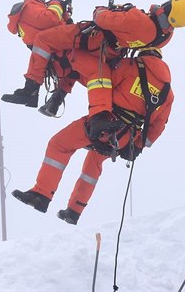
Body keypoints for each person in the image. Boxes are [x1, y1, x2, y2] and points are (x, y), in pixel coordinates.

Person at [11, 48, 174, 225]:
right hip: (125, 138)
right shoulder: (167, 93)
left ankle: (41, 194)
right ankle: (73, 212)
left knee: (59, 145)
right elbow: (157, 127)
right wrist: (138, 147)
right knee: (93, 165)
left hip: (104, 123)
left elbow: (103, 82)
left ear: (143, 52)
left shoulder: (130, 66)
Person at [1, 0, 185, 134]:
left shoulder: (140, 22)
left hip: (91, 38)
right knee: (82, 66)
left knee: (44, 40)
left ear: (168, 7)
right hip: (110, 52)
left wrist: (106, 9)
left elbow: (101, 18)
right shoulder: (163, 37)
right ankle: (59, 101)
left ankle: (31, 88)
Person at [1, 0, 71, 108]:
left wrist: (66, 15)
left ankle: (37, 94)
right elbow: (50, 20)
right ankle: (34, 92)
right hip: (58, 49)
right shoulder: (29, 7)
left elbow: (54, 22)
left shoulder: (41, 8)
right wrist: (57, 4)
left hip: (58, 49)